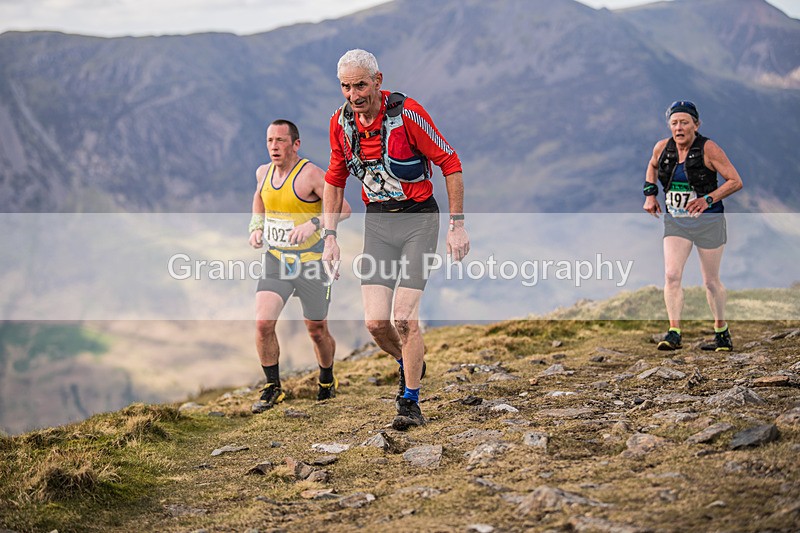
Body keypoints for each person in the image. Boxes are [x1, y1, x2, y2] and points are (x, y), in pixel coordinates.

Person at [321, 49, 469, 431]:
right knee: (375, 324)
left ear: (378, 81)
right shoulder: (340, 124)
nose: (354, 94)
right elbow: (335, 180)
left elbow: (449, 161)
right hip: (379, 224)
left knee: (404, 317)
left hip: (419, 220)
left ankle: (410, 402)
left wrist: (457, 224)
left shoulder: (408, 115)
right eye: (346, 87)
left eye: (361, 85)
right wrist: (330, 237)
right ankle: (410, 361)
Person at [248, 119, 351, 413]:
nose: (274, 146)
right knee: (262, 323)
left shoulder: (312, 175)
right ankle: (272, 387)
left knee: (316, 329)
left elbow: (344, 209)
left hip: (312, 262)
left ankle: (327, 380)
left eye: (281, 140)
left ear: (296, 144)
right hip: (277, 258)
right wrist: (256, 226)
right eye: (270, 140)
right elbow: (260, 196)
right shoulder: (263, 172)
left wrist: (314, 222)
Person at [643, 100, 743, 352]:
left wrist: (708, 199)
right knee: (671, 275)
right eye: (674, 123)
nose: (679, 128)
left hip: (709, 221)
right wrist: (650, 195)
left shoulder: (709, 149)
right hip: (677, 222)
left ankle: (721, 332)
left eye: (684, 122)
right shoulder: (662, 148)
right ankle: (674, 332)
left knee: (710, 281)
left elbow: (735, 181)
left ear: (696, 125)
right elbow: (653, 166)